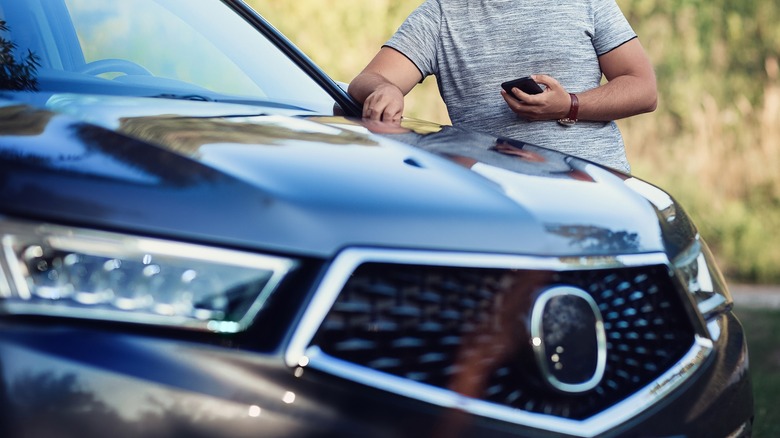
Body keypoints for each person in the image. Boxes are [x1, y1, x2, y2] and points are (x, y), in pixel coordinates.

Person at [347, 0, 657, 173]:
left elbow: (643, 88)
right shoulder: (440, 14)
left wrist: (569, 105)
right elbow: (368, 79)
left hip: (597, 187)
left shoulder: (587, 3)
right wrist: (384, 89)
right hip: (498, 204)